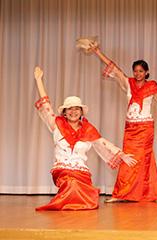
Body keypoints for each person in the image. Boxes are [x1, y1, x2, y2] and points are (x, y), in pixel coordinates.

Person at [77, 38, 157, 202]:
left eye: (141, 71)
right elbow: (114, 68)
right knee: (128, 158)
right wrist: (97, 51)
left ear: (147, 72)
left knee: (143, 158)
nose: (138, 74)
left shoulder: (152, 86)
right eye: (135, 71)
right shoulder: (128, 83)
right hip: (131, 128)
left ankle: (146, 192)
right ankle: (122, 193)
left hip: (145, 128)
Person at [33, 66, 137, 211]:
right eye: (70, 109)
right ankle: (67, 202)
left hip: (82, 173)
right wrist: (39, 80)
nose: (73, 112)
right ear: (64, 112)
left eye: (76, 108)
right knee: (71, 184)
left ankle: (73, 202)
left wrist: (122, 155)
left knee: (80, 188)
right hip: (62, 171)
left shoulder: (88, 130)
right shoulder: (56, 124)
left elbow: (104, 144)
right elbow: (46, 104)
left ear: (81, 112)